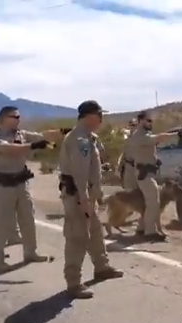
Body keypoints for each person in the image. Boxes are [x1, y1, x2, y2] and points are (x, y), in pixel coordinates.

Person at [58, 100, 124, 298]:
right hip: (78, 195)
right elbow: (79, 173)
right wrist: (85, 199)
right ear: (89, 116)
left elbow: (92, 170)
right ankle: (73, 282)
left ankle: (102, 267)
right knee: (77, 236)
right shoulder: (79, 140)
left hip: (86, 194)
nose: (101, 119)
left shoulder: (88, 137)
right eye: (99, 115)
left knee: (95, 232)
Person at [0, 106, 62, 271]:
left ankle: (30, 252)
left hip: (21, 183)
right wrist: (34, 146)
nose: (18, 119)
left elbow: (44, 135)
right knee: (1, 223)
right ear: (4, 118)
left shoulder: (21, 134)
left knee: (27, 219)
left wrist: (65, 131)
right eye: (15, 116)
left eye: (19, 116)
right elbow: (8, 149)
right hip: (4, 185)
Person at [126, 110, 178, 238]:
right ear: (141, 121)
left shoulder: (143, 134)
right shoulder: (139, 135)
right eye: (148, 120)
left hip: (147, 172)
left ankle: (141, 227)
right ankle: (150, 231)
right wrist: (175, 134)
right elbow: (158, 138)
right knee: (153, 202)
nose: (150, 123)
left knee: (148, 202)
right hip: (144, 173)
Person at [119, 116, 140, 191]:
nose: (133, 127)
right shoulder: (127, 139)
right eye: (131, 125)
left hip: (139, 166)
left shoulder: (141, 138)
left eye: (135, 125)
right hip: (128, 165)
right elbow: (124, 153)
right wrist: (120, 166)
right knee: (128, 189)